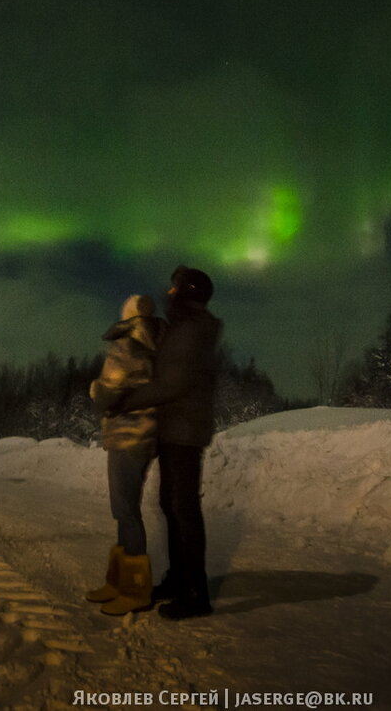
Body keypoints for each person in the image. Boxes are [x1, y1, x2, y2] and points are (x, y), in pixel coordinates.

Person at [112, 265, 221, 620]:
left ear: (187, 295)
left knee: (183, 510)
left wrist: (126, 399)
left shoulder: (191, 332)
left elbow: (171, 384)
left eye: (174, 289)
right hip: (175, 429)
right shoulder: (185, 328)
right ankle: (178, 579)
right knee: (171, 505)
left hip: (184, 432)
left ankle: (195, 593)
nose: (168, 294)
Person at [84, 294, 166, 615]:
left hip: (127, 436)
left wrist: (94, 388)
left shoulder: (127, 345)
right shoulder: (157, 345)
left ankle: (134, 589)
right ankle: (118, 582)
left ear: (129, 315)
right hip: (145, 435)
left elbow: (107, 392)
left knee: (125, 511)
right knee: (125, 510)